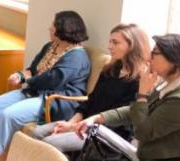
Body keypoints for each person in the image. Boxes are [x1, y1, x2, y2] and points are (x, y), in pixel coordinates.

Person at [0, 11, 91, 161]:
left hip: (53, 99)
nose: (50, 28)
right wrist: (20, 75)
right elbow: (32, 69)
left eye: (53, 25)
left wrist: (27, 81)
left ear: (64, 29)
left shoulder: (77, 55)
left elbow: (53, 80)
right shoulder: (50, 47)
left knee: (8, 115)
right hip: (35, 91)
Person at [30, 23, 149, 153]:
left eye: (115, 43)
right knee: (37, 133)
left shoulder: (141, 80)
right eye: (110, 42)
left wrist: (76, 127)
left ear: (132, 45)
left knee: (50, 143)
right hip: (85, 124)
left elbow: (121, 120)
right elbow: (90, 100)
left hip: (106, 133)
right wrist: (71, 124)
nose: (110, 47)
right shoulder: (110, 70)